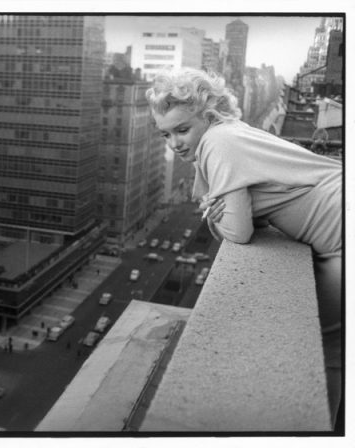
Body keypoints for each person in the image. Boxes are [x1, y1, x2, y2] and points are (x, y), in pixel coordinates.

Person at [146, 67, 343, 426]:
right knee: (333, 350)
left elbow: (238, 232)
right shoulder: (228, 135)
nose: (173, 143)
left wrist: (213, 213)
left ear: (207, 116)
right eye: (165, 134)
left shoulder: (219, 144)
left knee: (329, 352)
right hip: (338, 229)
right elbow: (257, 216)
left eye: (182, 129)